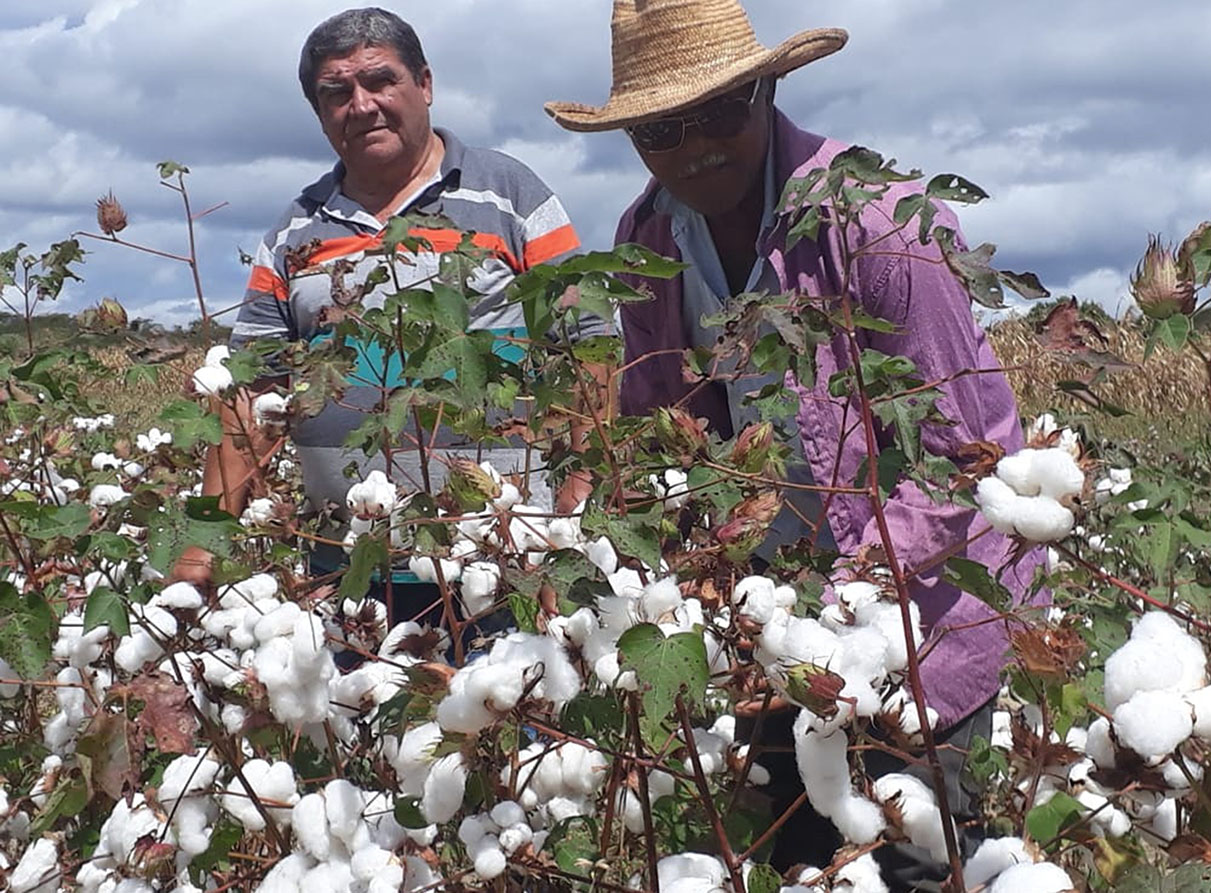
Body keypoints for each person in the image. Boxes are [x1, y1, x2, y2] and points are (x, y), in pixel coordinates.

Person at [546, 0, 1043, 887]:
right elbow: (668, 424)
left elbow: (962, 449)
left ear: (765, 90)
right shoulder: (645, 239)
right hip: (773, 618)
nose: (693, 145)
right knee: (800, 856)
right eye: (662, 127)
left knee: (911, 860)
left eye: (718, 114)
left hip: (915, 618)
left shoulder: (877, 222)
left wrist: (842, 605)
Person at [174, 7, 605, 624]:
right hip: (345, 567)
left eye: (380, 81)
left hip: (504, 561)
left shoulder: (509, 194)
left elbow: (588, 345)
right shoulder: (296, 231)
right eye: (337, 93)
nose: (362, 104)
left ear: (424, 85)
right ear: (320, 114)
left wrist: (574, 513)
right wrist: (201, 547)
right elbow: (252, 391)